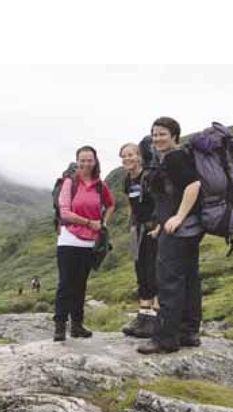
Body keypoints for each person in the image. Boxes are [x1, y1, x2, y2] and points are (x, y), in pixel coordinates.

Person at [138, 117, 203, 355]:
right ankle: (188, 332)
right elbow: (171, 194)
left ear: (174, 135)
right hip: (188, 230)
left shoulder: (175, 157)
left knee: (168, 281)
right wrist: (163, 223)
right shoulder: (176, 157)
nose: (157, 139)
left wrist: (178, 217)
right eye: (154, 134)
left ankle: (165, 339)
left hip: (178, 230)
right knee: (189, 279)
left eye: (162, 134)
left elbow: (193, 186)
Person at [52, 147, 115, 342]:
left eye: (89, 160)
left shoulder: (99, 185)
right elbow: (65, 213)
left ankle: (77, 325)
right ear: (77, 161)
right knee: (65, 284)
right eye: (82, 160)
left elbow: (111, 204)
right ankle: (60, 326)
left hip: (90, 242)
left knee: (80, 285)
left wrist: (103, 222)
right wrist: (89, 222)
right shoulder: (69, 183)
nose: (86, 163)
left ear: (95, 161)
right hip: (69, 239)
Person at [118, 142, 159, 338]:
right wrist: (131, 223)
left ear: (140, 156)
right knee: (140, 271)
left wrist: (159, 225)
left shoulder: (149, 177)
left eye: (131, 155)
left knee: (153, 271)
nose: (127, 159)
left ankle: (156, 318)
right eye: (124, 156)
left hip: (152, 229)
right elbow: (130, 203)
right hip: (136, 231)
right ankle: (142, 316)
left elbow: (162, 200)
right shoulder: (127, 179)